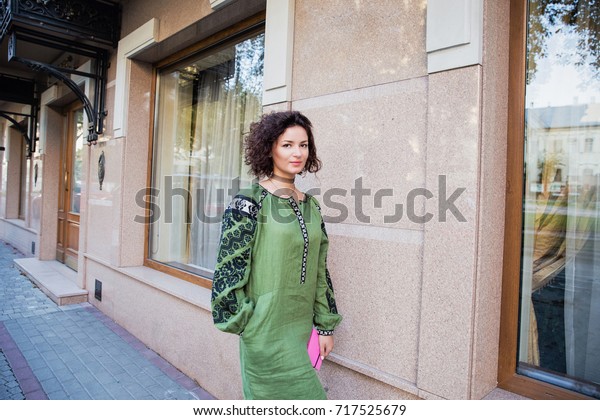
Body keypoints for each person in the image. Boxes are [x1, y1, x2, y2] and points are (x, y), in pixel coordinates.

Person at [211, 110, 342, 400]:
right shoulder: (248, 201)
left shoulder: (311, 206)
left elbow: (320, 270)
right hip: (265, 334)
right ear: (269, 148)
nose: (298, 153)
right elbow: (228, 270)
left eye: (303, 145)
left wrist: (324, 326)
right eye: (287, 144)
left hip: (301, 332)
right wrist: (247, 324)